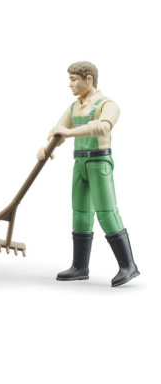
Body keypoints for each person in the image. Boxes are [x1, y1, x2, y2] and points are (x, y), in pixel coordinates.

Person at [37, 61, 139, 287]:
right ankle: (80, 267)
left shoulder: (108, 105)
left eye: (73, 79)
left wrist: (69, 132)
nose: (70, 84)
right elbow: (58, 131)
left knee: (106, 212)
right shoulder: (74, 107)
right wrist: (48, 147)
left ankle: (128, 265)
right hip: (79, 163)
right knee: (80, 213)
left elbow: (103, 127)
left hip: (99, 162)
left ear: (89, 78)